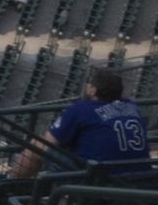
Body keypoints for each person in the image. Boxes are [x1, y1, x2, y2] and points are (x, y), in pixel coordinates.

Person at [13, 68, 148, 178]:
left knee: (37, 144)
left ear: (93, 90)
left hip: (99, 180)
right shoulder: (132, 106)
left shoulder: (81, 109)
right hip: (139, 177)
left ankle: (8, 186)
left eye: (89, 83)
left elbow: (49, 141)